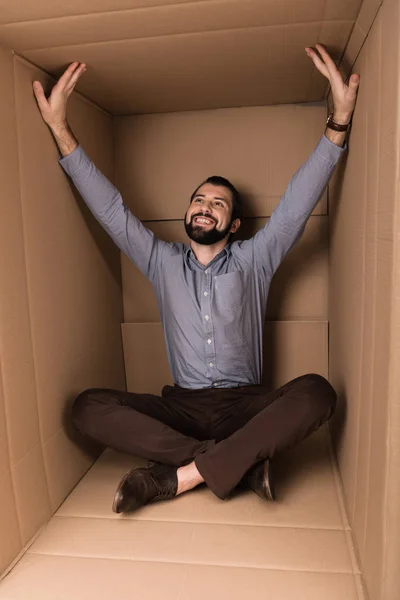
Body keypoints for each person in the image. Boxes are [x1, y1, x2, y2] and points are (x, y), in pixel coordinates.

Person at [33, 44, 359, 513]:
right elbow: (110, 210)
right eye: (198, 200)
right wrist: (59, 127)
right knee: (86, 407)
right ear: (187, 213)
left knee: (318, 393)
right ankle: (235, 466)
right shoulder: (161, 261)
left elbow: (295, 206)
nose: (204, 207)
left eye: (218, 203)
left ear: (234, 225)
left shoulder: (255, 259)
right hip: (181, 410)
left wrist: (339, 122)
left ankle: (177, 477)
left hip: (246, 408)